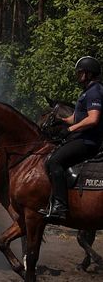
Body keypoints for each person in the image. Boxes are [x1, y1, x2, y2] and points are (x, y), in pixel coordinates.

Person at [39, 56, 103, 221]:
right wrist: (61, 121)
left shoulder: (95, 91)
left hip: (88, 141)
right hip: (82, 138)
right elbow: (76, 118)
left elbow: (93, 118)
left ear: (88, 74)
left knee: (54, 161)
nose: (78, 76)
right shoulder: (87, 91)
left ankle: (60, 206)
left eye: (80, 73)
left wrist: (70, 129)